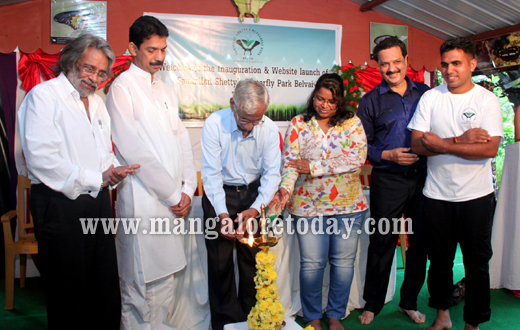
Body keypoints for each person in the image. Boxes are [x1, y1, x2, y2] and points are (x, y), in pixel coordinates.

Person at [18, 33, 139, 330]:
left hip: (97, 200)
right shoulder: (43, 97)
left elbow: (103, 153)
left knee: (104, 284)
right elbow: (42, 160)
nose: (94, 78)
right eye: (88, 68)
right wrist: (96, 178)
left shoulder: (97, 103)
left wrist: (113, 171)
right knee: (68, 292)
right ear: (71, 62)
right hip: (58, 204)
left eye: (100, 73)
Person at [106, 16, 197, 330]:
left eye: (163, 49)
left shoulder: (165, 90)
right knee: (139, 288)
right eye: (151, 50)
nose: (159, 57)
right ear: (132, 48)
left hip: (172, 203)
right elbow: (135, 151)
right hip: (143, 201)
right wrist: (174, 194)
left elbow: (181, 138)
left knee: (167, 281)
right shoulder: (121, 89)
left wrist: (188, 187)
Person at [409, 37, 503, 330]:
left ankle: (472, 323)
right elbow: (417, 145)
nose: (449, 70)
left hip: (477, 197)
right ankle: (442, 317)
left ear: (472, 65)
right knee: (439, 263)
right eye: (445, 64)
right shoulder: (431, 98)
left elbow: (488, 150)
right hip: (437, 196)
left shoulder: (486, 100)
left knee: (477, 265)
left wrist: (441, 144)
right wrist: (459, 141)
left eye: (457, 63)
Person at [269, 73, 368, 330]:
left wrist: (313, 166)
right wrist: (285, 189)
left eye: (331, 101)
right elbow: (290, 164)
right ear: (313, 95)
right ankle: (312, 315)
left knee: (343, 262)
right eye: (319, 98)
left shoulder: (352, 123)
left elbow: (356, 159)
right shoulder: (299, 123)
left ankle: (335, 314)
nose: (324, 105)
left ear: (340, 102)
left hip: (348, 206)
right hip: (307, 205)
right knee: (312, 263)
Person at [356, 37, 430, 325]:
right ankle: (372, 304)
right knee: (381, 242)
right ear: (378, 65)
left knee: (419, 243)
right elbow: (362, 147)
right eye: (385, 63)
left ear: (406, 60)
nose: (392, 68)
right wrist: (388, 154)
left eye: (396, 61)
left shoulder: (426, 94)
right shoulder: (370, 101)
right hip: (387, 181)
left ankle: (408, 302)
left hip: (424, 180)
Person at [200, 79, 281, 330]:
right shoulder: (215, 124)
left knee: (252, 261)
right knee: (220, 262)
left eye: (257, 119)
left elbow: (272, 175)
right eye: (246, 119)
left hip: (253, 195)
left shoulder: (267, 127)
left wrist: (255, 209)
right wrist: (222, 215)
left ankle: (253, 319)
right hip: (219, 194)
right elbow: (211, 176)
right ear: (232, 104)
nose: (251, 126)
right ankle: (224, 323)